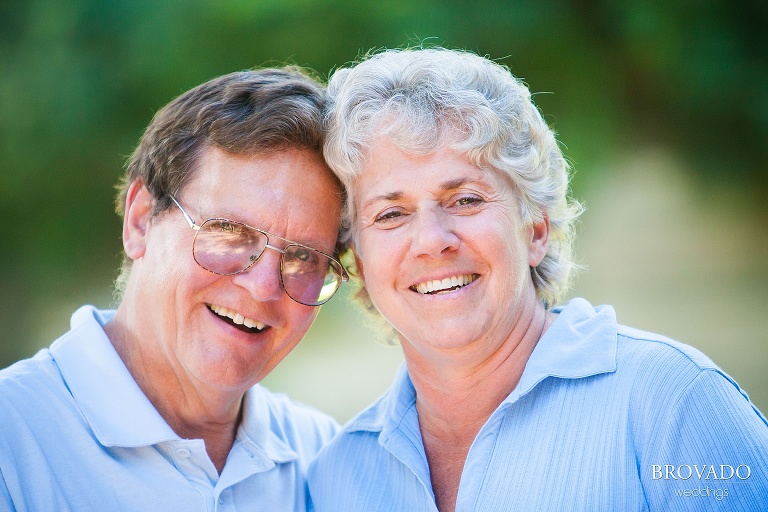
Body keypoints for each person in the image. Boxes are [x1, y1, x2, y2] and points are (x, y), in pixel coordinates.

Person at [307, 48, 768, 511]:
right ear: (361, 265)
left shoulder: (674, 405)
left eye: (465, 200)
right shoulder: (337, 477)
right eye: (391, 213)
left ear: (536, 229)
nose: (431, 240)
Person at [0, 67, 348, 510]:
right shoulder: (12, 445)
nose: (263, 288)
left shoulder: (327, 460)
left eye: (303, 258)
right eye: (229, 232)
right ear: (141, 219)